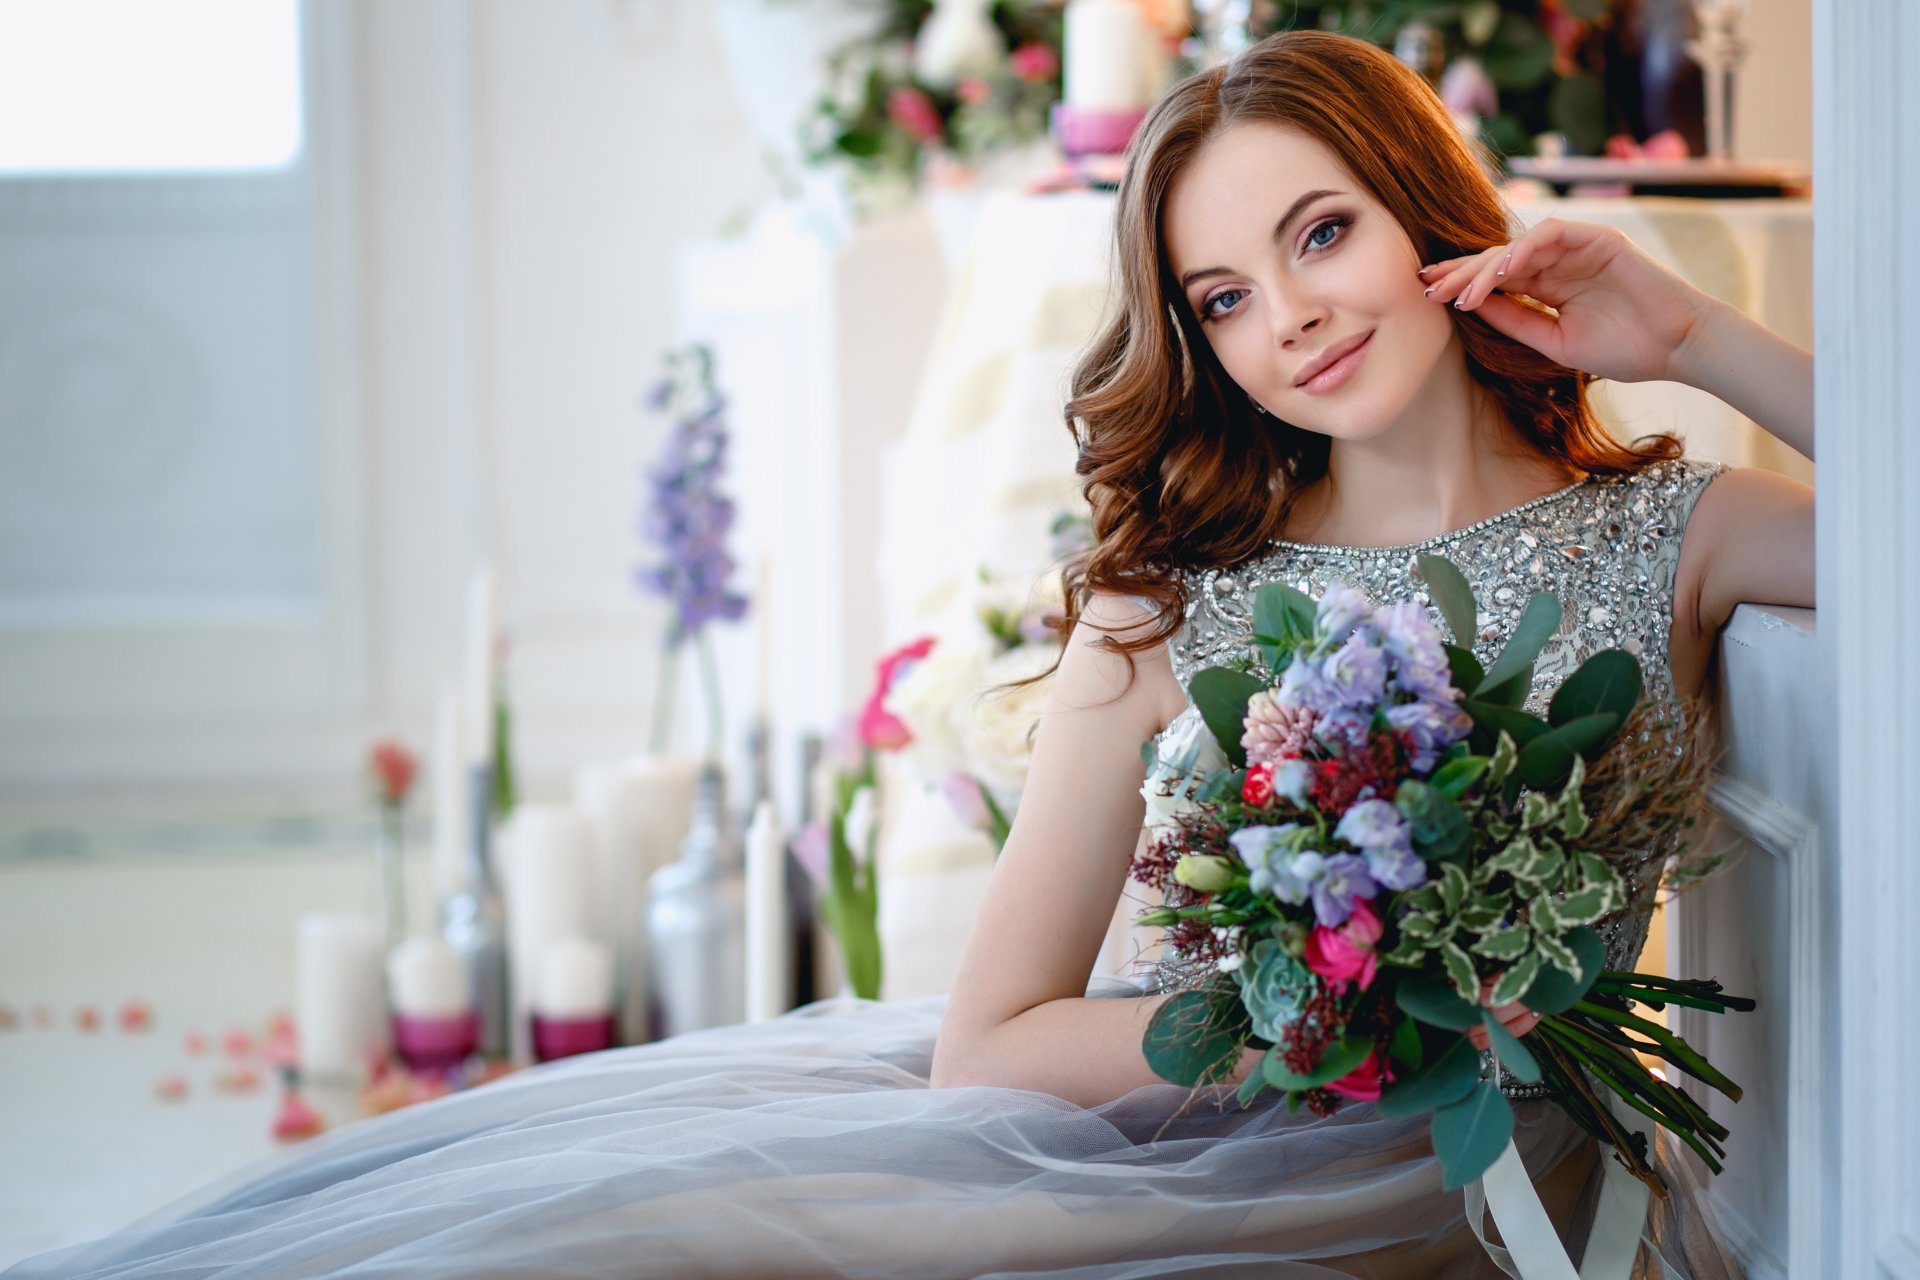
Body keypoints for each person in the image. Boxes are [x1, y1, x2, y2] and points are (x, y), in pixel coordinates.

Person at [8, 31, 1809, 1280]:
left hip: (1475, 1201)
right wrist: (1310, 1017)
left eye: (1319, 230)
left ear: (1432, 213)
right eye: (1221, 298)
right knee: (622, 1237)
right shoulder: (1178, 596)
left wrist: (1695, 332)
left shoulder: (1681, 535)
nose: (1291, 319)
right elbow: (989, 1048)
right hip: (1174, 1146)